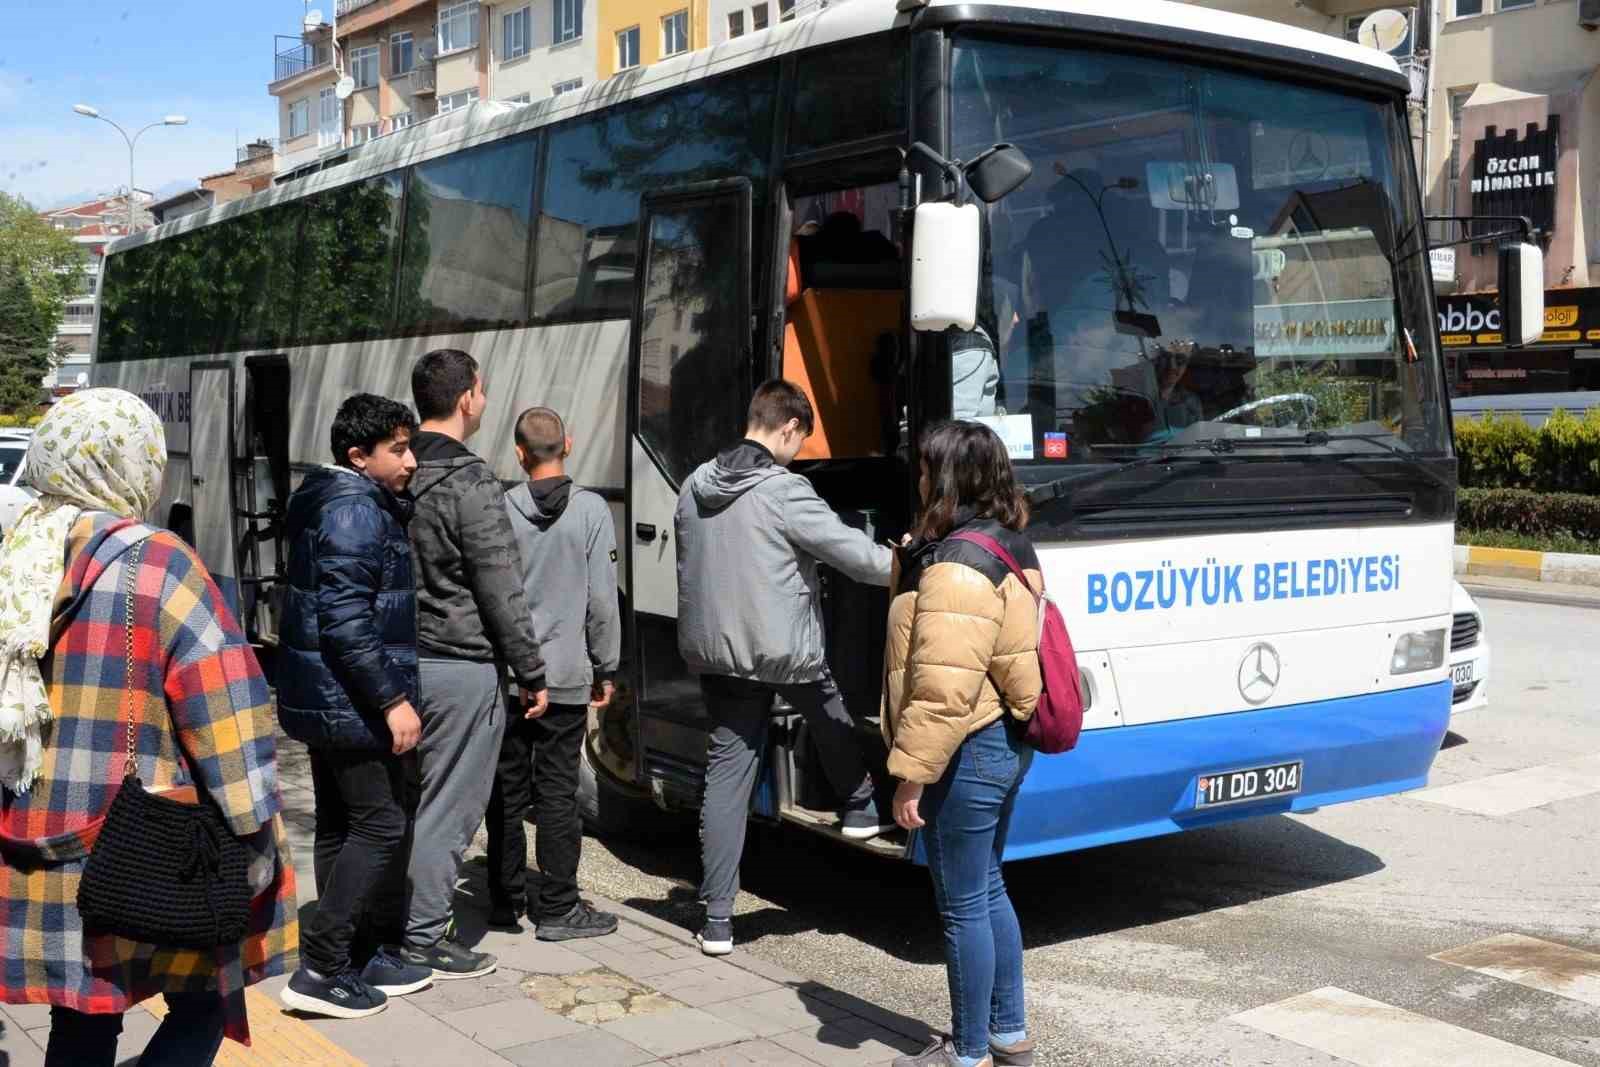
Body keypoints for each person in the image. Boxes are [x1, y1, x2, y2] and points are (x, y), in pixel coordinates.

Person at [0, 389, 296, 1067]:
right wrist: (254, 833)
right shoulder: (156, 562)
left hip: (30, 840)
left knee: (79, 1014)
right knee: (206, 1002)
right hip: (140, 845)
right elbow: (225, 709)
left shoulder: (19, 552)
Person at [675, 379, 894, 957]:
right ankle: (859, 807)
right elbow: (855, 557)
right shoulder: (783, 490)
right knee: (828, 710)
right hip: (781, 649)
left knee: (728, 775)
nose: (799, 453)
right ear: (789, 427)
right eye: (801, 441)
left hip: (717, 652)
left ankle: (717, 918)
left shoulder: (695, 484)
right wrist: (912, 561)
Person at [883, 421, 1043, 1067]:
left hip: (966, 746)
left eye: (925, 468)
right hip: (1004, 738)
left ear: (945, 478)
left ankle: (969, 1053)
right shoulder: (1008, 545)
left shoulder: (957, 566)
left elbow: (942, 689)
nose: (918, 478)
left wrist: (912, 773)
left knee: (962, 906)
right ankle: (1008, 1033)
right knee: (989, 885)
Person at [276, 394, 432, 1019]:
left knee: (343, 822)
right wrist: (393, 699)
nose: (412, 461)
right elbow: (345, 621)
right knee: (381, 823)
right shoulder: (353, 512)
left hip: (333, 696)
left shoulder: (341, 500)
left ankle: (359, 953)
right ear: (357, 456)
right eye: (398, 450)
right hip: (353, 700)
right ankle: (322, 966)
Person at [404, 348, 549, 980]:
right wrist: (530, 667)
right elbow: (498, 583)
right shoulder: (473, 481)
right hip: (461, 666)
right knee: (449, 808)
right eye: (482, 390)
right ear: (467, 399)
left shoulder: (396, 470)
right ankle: (423, 937)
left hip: (396, 663)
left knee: (404, 803)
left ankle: (391, 919)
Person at [486, 407, 621, 941]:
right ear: (569, 442)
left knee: (506, 789)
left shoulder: (501, 508)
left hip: (512, 676)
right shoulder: (591, 511)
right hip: (565, 674)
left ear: (520, 453)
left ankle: (504, 901)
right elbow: (602, 601)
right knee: (559, 791)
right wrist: (606, 664)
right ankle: (560, 908)